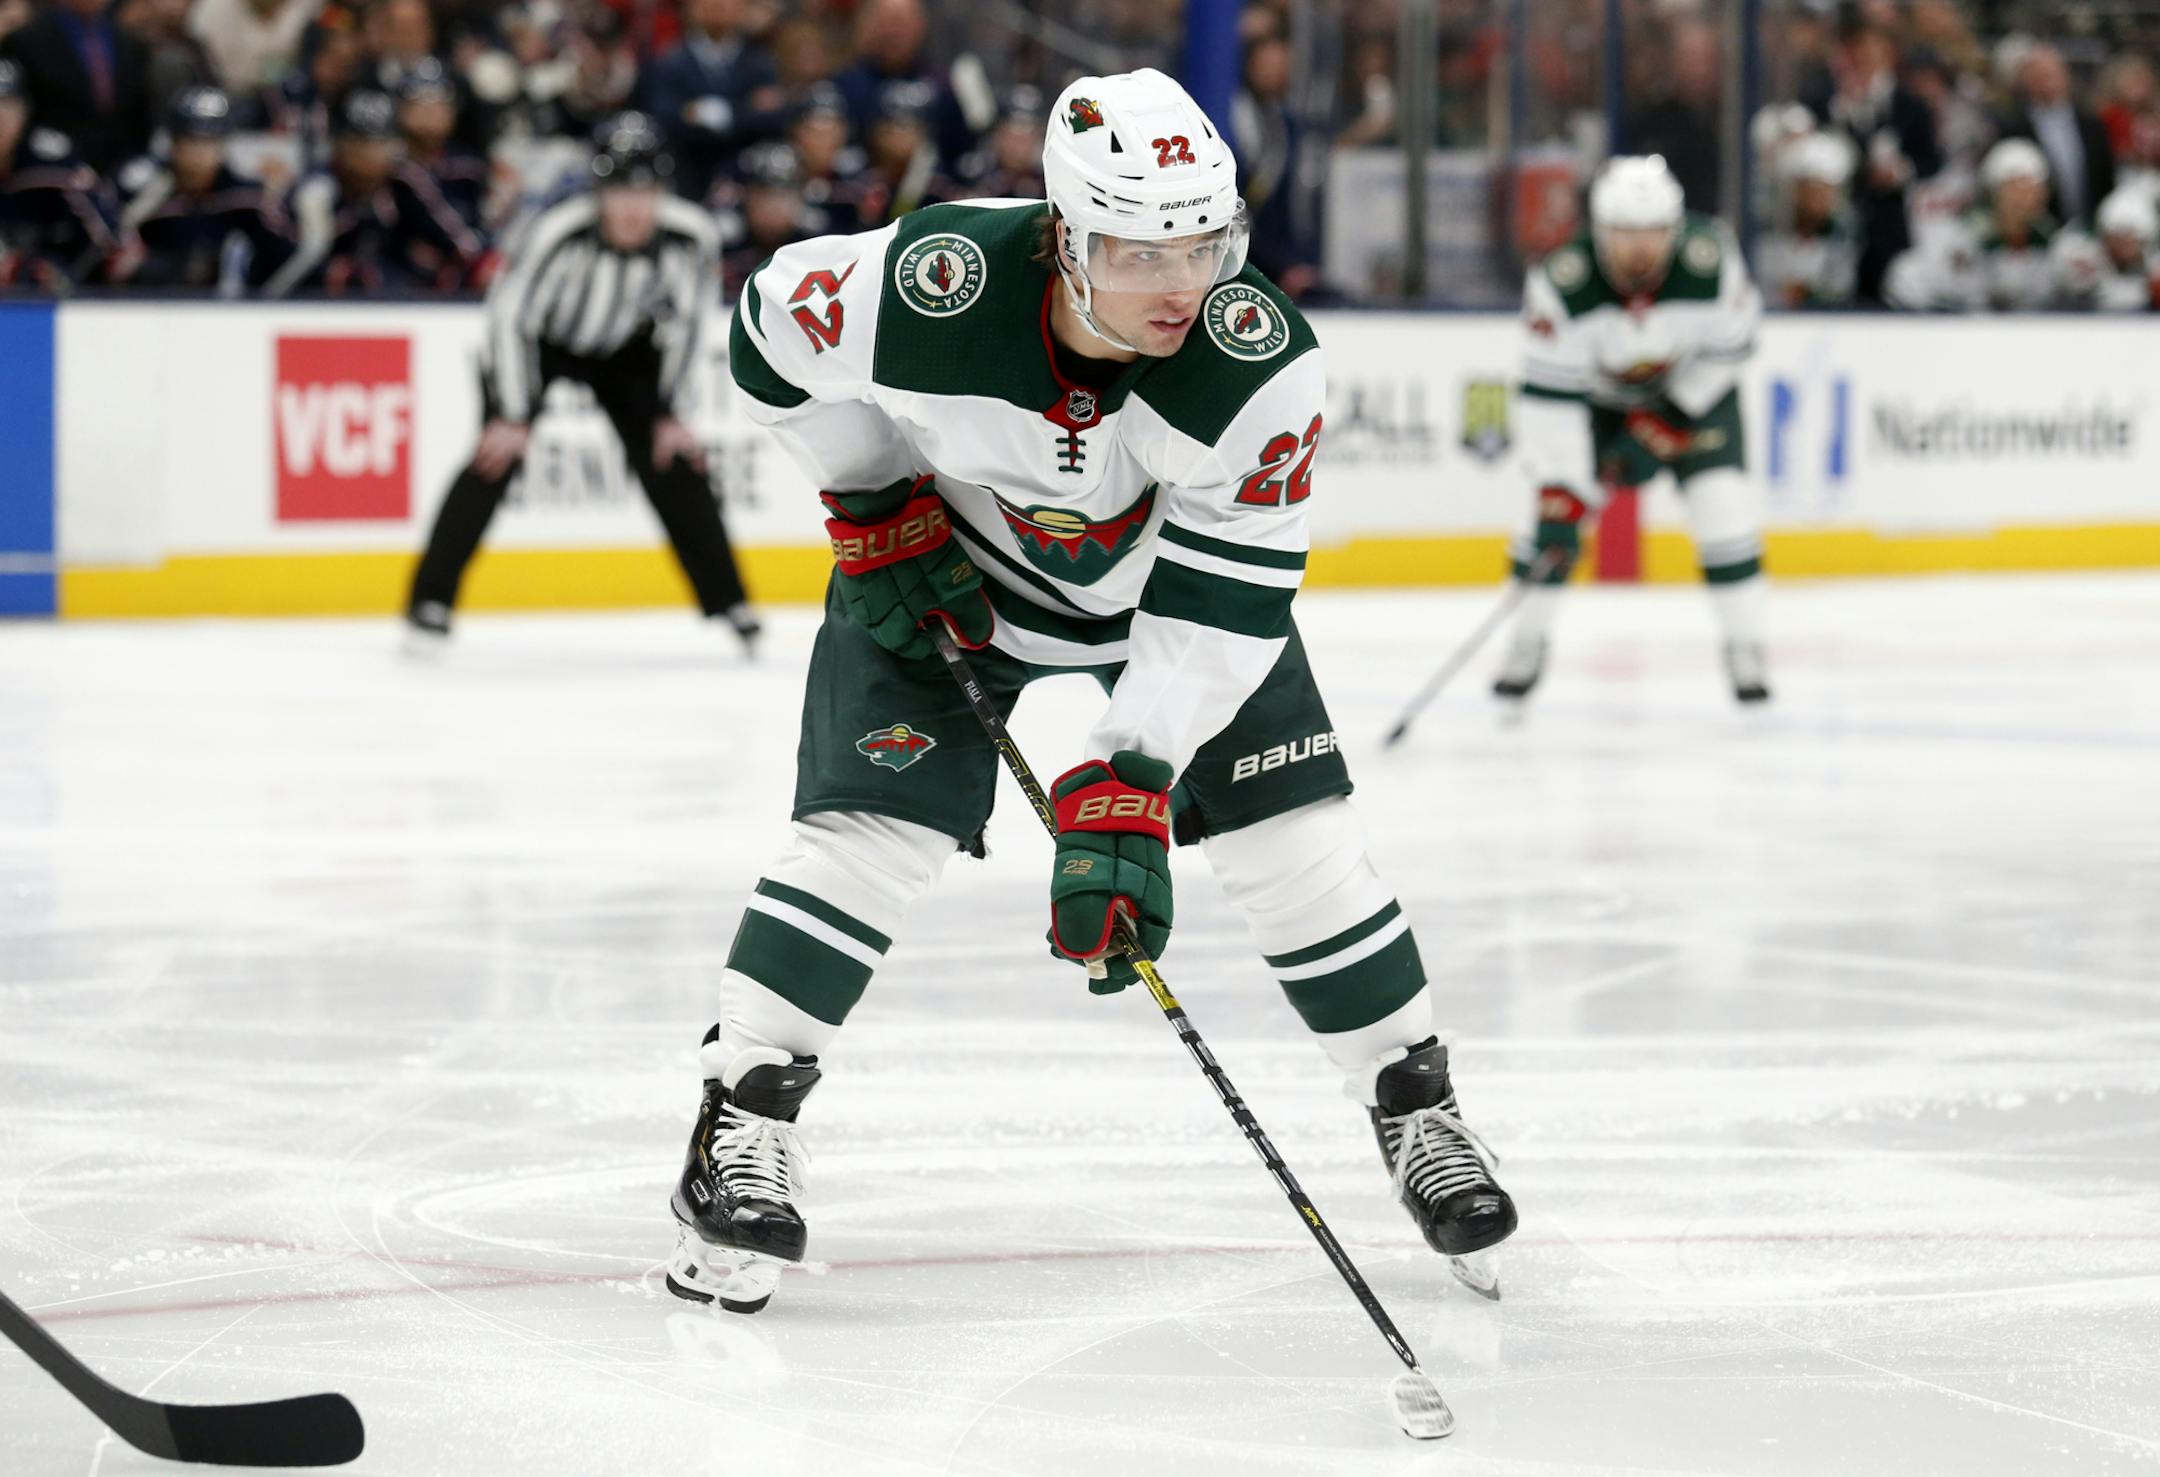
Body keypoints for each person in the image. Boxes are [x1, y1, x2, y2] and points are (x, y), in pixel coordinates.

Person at [664, 68, 1518, 1317]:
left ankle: (1416, 1104)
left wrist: (1133, 765)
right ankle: (739, 1119)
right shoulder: (934, 285)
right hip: (947, 580)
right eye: (1136, 253)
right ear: (1065, 237)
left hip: (1162, 604)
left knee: (1295, 840)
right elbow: (766, 331)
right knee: (868, 836)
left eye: (1205, 247)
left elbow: (1225, 601)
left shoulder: (1257, 365)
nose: (1180, 288)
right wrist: (871, 491)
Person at [405, 113, 758, 650]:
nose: (633, 207)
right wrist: (512, 413)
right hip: (542, 345)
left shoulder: (690, 236)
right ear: (598, 191)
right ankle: (430, 600)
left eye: (646, 192)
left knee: (674, 459)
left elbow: (688, 325)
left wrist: (670, 412)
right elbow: (510, 319)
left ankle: (730, 601)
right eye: (620, 191)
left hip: (624, 350)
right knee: (494, 456)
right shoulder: (557, 232)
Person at [1495, 155, 1769, 706]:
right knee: (1550, 531)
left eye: (1654, 233)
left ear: (1675, 230)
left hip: (1695, 395)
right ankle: (1527, 640)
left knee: (1724, 510)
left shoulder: (1711, 260)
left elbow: (1732, 349)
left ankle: (1746, 647)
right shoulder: (1562, 283)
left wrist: (1671, 416)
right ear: (1599, 232)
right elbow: (1550, 398)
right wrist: (1563, 488)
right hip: (1595, 407)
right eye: (1625, 234)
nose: (1641, 249)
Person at [262, 87, 481, 295]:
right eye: (360, 142)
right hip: (307, 301)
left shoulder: (403, 183)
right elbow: (293, 260)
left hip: (393, 294)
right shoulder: (317, 189)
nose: (372, 154)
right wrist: (339, 270)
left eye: (381, 142)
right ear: (340, 145)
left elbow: (460, 241)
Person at [115, 85, 289, 290]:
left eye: (208, 142)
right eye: (191, 141)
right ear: (173, 144)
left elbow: (282, 261)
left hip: (234, 305)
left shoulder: (248, 199)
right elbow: (112, 260)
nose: (199, 154)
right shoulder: (147, 194)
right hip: (157, 303)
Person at [1884, 139, 2088, 311]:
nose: (2028, 197)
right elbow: (1906, 280)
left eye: (2035, 188)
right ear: (1995, 191)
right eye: (2018, 188)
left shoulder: (2056, 243)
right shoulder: (1964, 237)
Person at [636, 0, 782, 199]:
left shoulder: (760, 64)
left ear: (743, 8)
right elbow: (661, 119)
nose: (718, 5)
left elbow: (771, 120)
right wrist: (744, 110)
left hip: (748, 183)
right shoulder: (667, 62)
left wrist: (711, 113)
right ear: (690, 8)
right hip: (683, 176)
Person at [0, 55, 120, 288]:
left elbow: (107, 241)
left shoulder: (53, 162)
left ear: (25, 111)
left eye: (7, 105)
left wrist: (62, 272)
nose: (0, 118)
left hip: (50, 296)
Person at [0, 0, 156, 173]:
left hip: (119, 171)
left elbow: (140, 115)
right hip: (50, 170)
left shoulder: (130, 43)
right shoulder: (24, 40)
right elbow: (20, 110)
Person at [1998, 42, 2115, 228]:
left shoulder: (2091, 124)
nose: (2047, 83)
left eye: (2051, 74)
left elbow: (2106, 175)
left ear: (2066, 76)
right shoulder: (2014, 128)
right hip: (2041, 228)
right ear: (2026, 81)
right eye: (2039, 76)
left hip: (2091, 224)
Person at [1757, 130, 1861, 307]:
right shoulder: (1766, 242)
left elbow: (1840, 293)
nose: (1821, 199)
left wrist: (1807, 293)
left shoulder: (1842, 246)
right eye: (1814, 189)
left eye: (1827, 191)